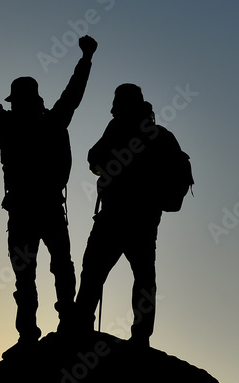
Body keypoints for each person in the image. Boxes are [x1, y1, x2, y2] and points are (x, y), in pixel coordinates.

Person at [0, 35, 97, 348]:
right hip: (40, 208)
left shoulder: (9, 125)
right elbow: (72, 94)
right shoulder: (51, 122)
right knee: (49, 269)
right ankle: (49, 329)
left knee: (39, 271)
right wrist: (86, 58)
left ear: (21, 102)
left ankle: (37, 333)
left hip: (26, 211)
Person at [73, 84, 185, 347]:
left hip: (116, 217)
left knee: (94, 273)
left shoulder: (118, 128)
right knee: (143, 278)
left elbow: (93, 158)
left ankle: (79, 329)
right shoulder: (160, 135)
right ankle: (140, 338)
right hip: (143, 221)